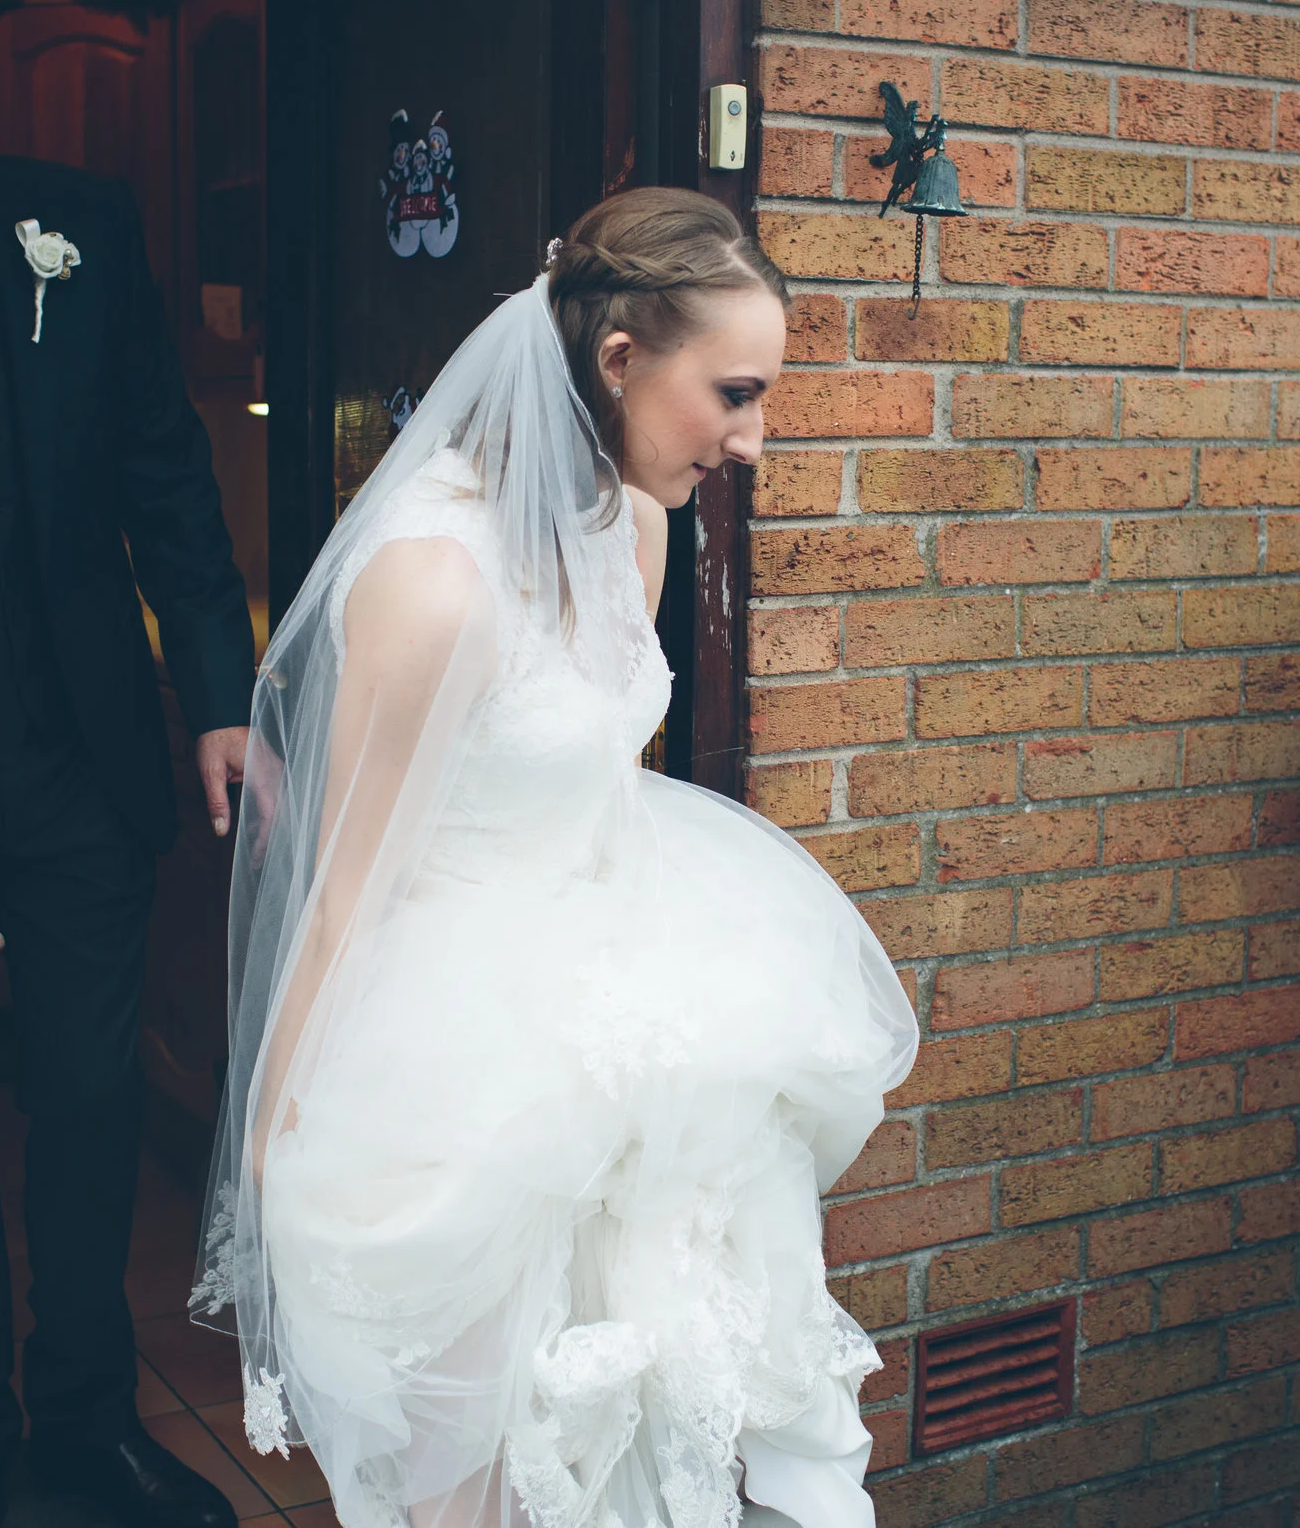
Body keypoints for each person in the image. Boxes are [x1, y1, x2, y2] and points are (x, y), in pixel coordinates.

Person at [190, 190, 919, 1528]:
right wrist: (275, 1151)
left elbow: (601, 773)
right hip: (459, 1060)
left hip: (618, 1004)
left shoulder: (636, 523)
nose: (753, 441)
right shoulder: (432, 579)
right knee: (486, 1473)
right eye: (735, 394)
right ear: (620, 361)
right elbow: (347, 881)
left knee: (669, 1410)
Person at [0, 14, 255, 1528]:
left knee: (93, 1104)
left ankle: (88, 1423)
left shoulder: (82, 229)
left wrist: (218, 698)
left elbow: (164, 466)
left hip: (93, 763)